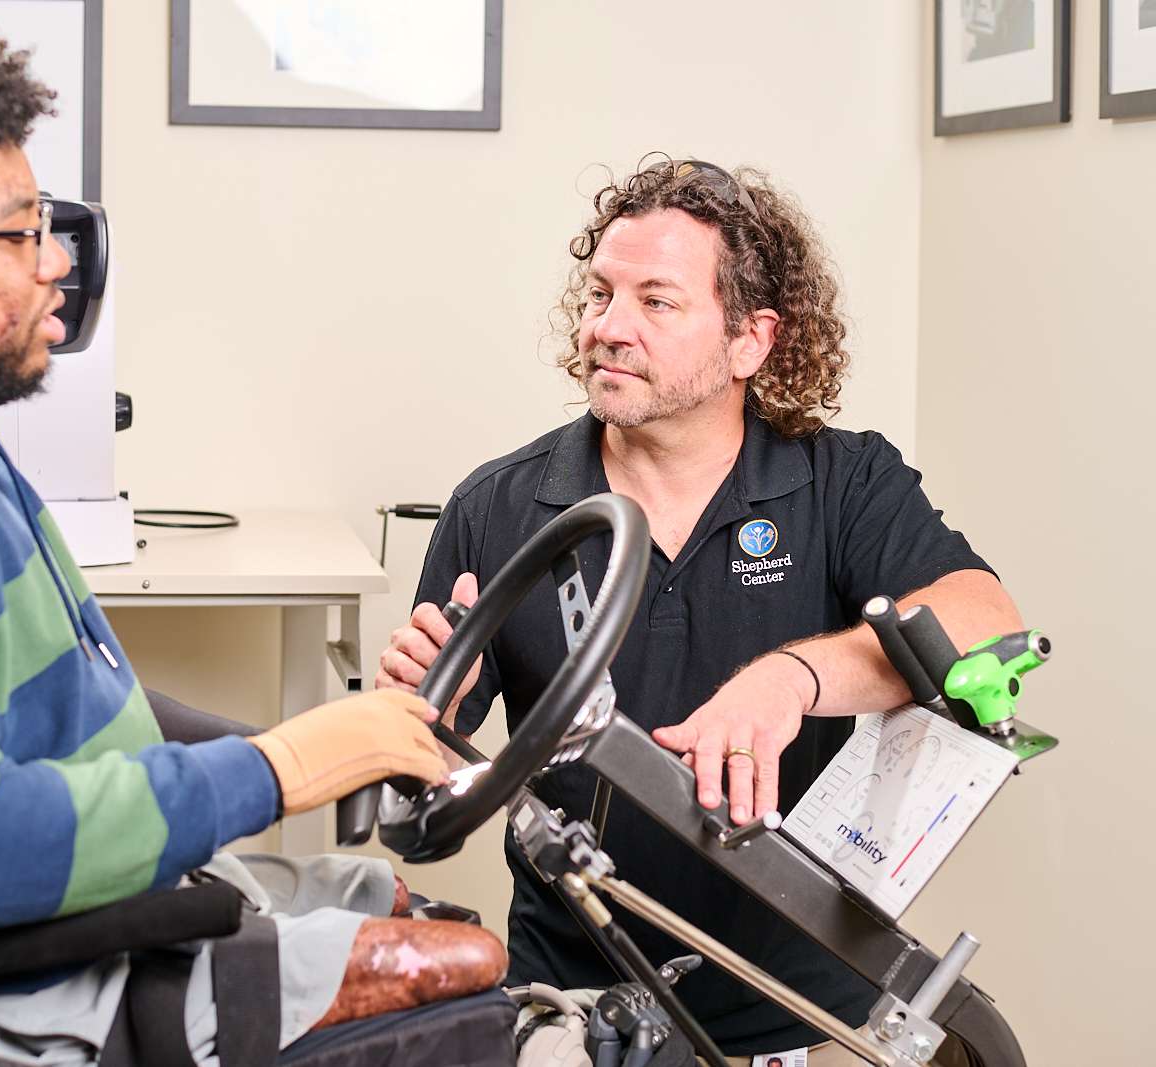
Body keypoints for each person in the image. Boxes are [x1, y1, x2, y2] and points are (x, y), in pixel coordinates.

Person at [0, 14, 504, 1063]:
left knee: (381, 886)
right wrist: (272, 769)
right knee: (471, 968)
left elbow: (61, 686)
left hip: (64, 920)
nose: (55, 261)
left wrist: (298, 745)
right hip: (22, 980)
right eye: (20, 232)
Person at [377, 157, 1012, 1064]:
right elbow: (426, 788)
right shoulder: (500, 508)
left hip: (813, 1011)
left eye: (655, 301)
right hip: (575, 1007)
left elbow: (985, 619)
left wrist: (792, 679)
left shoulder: (842, 480)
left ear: (750, 340)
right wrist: (424, 721)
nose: (607, 327)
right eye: (599, 295)